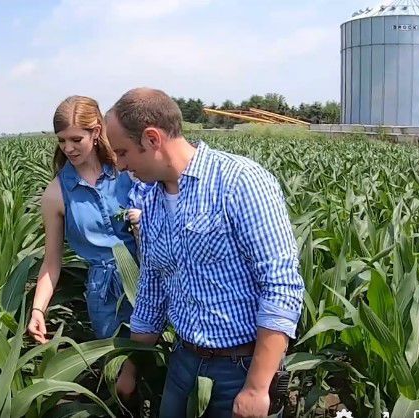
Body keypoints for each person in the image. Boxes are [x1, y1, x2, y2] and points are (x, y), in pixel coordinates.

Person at [106, 88, 304, 418]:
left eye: (123, 152)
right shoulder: (151, 200)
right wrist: (131, 367)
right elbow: (152, 293)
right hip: (184, 362)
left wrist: (256, 387)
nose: (120, 164)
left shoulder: (240, 181)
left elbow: (281, 286)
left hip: (241, 367)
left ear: (152, 139)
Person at [27, 95, 139, 343]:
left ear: (96, 132)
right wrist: (38, 310)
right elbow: (51, 263)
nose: (67, 148)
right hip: (104, 294)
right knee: (116, 367)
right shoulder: (56, 193)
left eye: (76, 139)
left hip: (147, 276)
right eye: (62, 140)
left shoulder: (128, 172)